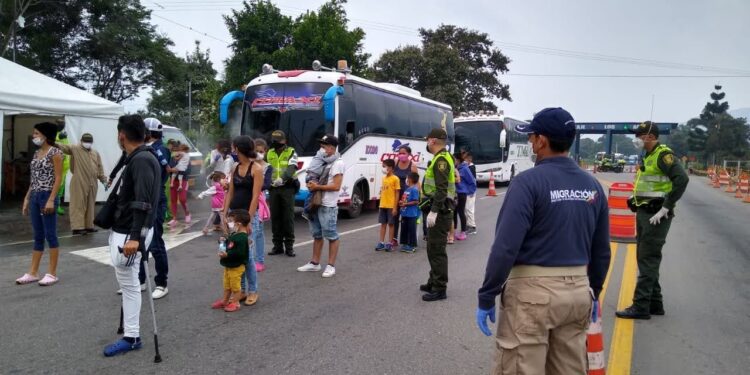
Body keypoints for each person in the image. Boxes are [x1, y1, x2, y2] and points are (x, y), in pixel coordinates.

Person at [475, 107, 611, 374]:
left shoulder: (527, 182)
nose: (530, 142)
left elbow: (505, 247)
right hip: (577, 295)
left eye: (532, 137)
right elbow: (601, 250)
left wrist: (487, 294)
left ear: (542, 141)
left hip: (532, 296)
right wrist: (594, 291)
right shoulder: (592, 186)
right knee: (568, 369)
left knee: (521, 367)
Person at [616, 121, 689, 319]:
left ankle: (640, 306)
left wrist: (667, 206)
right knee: (645, 258)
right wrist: (635, 198)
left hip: (656, 215)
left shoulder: (663, 156)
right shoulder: (647, 155)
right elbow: (650, 184)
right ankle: (655, 304)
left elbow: (682, 180)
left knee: (648, 259)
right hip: (645, 211)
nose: (636, 139)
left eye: (639, 136)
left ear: (649, 137)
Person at [102, 114, 161, 357]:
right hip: (128, 230)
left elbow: (143, 202)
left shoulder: (142, 160)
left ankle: (132, 336)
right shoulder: (137, 157)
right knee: (128, 283)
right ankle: (130, 332)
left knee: (129, 284)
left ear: (121, 135)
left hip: (130, 232)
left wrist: (135, 237)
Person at [16, 122, 64, 286]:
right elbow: (34, 178)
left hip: (47, 195)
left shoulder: (55, 152)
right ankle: (33, 272)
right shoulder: (37, 153)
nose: (34, 136)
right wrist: (27, 198)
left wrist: (51, 199)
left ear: (45, 134)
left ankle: (52, 273)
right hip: (36, 195)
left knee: (50, 234)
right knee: (38, 235)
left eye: (36, 133)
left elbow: (58, 178)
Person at [297, 135, 345, 278]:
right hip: (315, 203)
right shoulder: (322, 161)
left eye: (324, 146)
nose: (322, 149)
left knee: (331, 235)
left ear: (331, 147)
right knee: (317, 235)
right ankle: (315, 263)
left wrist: (317, 186)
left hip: (328, 205)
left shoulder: (338, 163)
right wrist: (311, 184)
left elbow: (336, 186)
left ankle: (330, 266)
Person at [224, 135, 263, 306]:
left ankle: (253, 291)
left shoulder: (257, 169)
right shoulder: (235, 167)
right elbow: (230, 192)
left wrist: (248, 221)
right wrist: (225, 213)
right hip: (234, 215)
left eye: (234, 147)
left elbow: (255, 196)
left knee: (248, 257)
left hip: (248, 217)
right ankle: (240, 291)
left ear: (238, 149)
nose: (232, 150)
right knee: (236, 254)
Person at [135, 117, 171, 300]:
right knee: (140, 241)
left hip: (156, 199)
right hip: (144, 199)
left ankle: (161, 283)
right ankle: (140, 280)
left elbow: (165, 170)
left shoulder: (159, 149)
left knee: (155, 242)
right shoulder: (147, 149)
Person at [419, 128, 455, 302]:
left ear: (432, 141)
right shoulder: (441, 157)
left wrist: (433, 212)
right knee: (432, 248)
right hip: (439, 211)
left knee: (437, 251)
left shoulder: (441, 160)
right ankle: (433, 281)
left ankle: (440, 288)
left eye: (427, 140)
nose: (427, 143)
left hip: (440, 212)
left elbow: (441, 190)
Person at [56, 133, 108, 235]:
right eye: (85, 141)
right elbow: (63, 147)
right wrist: (51, 142)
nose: (87, 143)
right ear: (81, 140)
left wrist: (103, 180)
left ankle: (89, 226)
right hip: (79, 180)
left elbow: (99, 167)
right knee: (78, 204)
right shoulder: (75, 148)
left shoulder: (95, 153)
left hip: (92, 182)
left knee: (90, 204)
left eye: (89, 142)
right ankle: (77, 227)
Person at [266, 130, 299, 257]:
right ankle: (277, 246)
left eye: (278, 141)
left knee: (288, 218)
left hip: (287, 188)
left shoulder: (291, 152)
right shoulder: (269, 153)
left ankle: (289, 247)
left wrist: (283, 178)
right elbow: (265, 168)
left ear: (284, 141)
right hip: (274, 189)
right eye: (274, 141)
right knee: (275, 218)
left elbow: (292, 168)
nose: (276, 143)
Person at [211, 209, 251, 313]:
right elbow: (229, 244)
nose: (228, 223)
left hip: (236, 266)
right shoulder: (235, 234)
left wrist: (227, 254)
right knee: (227, 284)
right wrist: (222, 241)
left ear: (238, 224)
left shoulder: (242, 237)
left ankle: (236, 303)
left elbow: (240, 253)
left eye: (230, 221)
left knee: (235, 286)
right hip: (229, 265)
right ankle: (225, 300)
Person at [301, 141, 341, 221]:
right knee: (312, 193)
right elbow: (330, 160)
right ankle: (306, 211)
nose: (325, 149)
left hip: (312, 175)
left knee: (313, 193)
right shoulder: (321, 153)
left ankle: (309, 211)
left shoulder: (321, 152)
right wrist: (337, 155)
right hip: (312, 175)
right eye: (324, 146)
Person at [252, 138, 273, 272]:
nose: (259, 153)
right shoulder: (249, 164)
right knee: (250, 230)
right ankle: (249, 259)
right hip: (248, 199)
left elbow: (266, 184)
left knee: (258, 231)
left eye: (261, 151)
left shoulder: (267, 167)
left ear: (265, 152)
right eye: (256, 151)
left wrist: (254, 184)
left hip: (260, 200)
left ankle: (259, 260)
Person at [392, 145, 419, 246]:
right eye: (399, 153)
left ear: (409, 154)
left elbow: (416, 182)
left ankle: (408, 241)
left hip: (407, 196)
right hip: (396, 194)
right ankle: (394, 238)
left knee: (406, 218)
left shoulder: (412, 166)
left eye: (404, 153)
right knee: (394, 216)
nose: (401, 155)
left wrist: (417, 196)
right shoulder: (395, 162)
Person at [375, 158, 400, 252]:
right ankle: (381, 242)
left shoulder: (395, 179)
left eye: (385, 166)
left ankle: (390, 243)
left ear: (391, 168)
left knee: (391, 224)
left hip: (391, 206)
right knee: (383, 224)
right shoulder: (383, 178)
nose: (383, 168)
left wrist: (395, 207)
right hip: (383, 205)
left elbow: (397, 193)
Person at [454, 152, 477, 241]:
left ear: (458, 160)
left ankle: (463, 231)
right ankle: (454, 231)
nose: (453, 161)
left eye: (454, 159)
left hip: (462, 193)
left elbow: (472, 181)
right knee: (454, 213)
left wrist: (471, 192)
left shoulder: (465, 169)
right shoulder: (456, 168)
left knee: (461, 212)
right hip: (455, 193)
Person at [167, 142, 191, 227]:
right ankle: (174, 219)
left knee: (182, 199)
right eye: (174, 150)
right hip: (173, 181)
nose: (176, 151)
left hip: (183, 180)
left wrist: (175, 170)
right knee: (173, 199)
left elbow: (187, 170)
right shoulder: (171, 158)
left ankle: (187, 213)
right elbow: (169, 168)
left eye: (177, 150)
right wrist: (172, 170)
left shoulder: (186, 157)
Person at [399, 172, 421, 253]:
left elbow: (416, 201)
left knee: (411, 230)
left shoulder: (415, 189)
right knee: (404, 229)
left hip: (411, 214)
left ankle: (412, 246)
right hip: (405, 213)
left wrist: (405, 204)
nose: (406, 179)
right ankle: (405, 244)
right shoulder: (407, 189)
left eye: (407, 178)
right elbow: (405, 199)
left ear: (411, 179)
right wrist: (401, 202)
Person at [54, 121, 70, 216]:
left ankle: (58, 205)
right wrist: (59, 137)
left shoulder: (63, 135)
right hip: (58, 166)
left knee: (61, 188)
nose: (62, 126)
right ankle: (54, 205)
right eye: (60, 124)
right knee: (56, 186)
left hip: (65, 167)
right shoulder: (55, 136)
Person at [462, 151, 478, 235]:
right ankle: (468, 225)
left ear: (469, 159)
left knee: (469, 209)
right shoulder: (466, 167)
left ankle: (472, 226)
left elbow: (472, 181)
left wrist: (471, 191)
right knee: (465, 209)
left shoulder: (471, 167)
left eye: (464, 159)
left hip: (470, 191)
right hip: (466, 191)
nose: (463, 161)